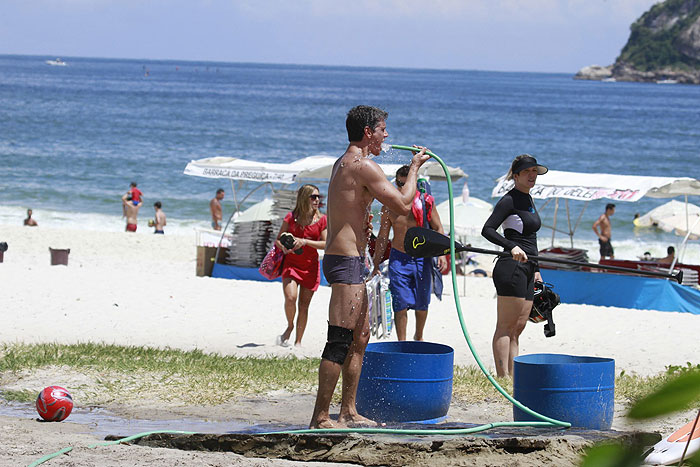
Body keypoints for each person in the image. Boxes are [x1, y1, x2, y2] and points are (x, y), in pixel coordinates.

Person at [309, 105, 430, 429]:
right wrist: (415, 168)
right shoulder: (363, 165)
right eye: (382, 129)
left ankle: (348, 411)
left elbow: (350, 207)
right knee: (339, 339)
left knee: (360, 337)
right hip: (346, 261)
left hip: (348, 259)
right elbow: (404, 204)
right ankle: (321, 417)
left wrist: (363, 220)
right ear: (368, 132)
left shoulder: (343, 162)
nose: (386, 135)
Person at [481, 154, 548, 378]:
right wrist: (511, 246)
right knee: (505, 326)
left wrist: (537, 269)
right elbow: (488, 229)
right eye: (528, 172)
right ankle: (503, 378)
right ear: (516, 175)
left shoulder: (528, 199)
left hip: (529, 269)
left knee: (518, 328)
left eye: (535, 172)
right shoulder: (509, 200)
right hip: (511, 267)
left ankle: (513, 377)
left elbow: (532, 239)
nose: (533, 175)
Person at [371, 165, 448, 342]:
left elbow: (438, 227)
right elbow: (383, 237)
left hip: (422, 257)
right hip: (399, 257)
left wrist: (442, 254)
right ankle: (402, 342)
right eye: (400, 182)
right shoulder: (389, 207)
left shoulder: (426, 202)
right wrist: (376, 262)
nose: (403, 186)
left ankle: (418, 337)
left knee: (422, 302)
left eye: (407, 183)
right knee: (400, 303)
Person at [274, 184, 327, 347]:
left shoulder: (322, 219)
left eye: (318, 197)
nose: (317, 200)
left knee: (304, 306)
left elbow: (326, 243)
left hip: (310, 266)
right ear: (304, 198)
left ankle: (298, 342)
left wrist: (305, 242)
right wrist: (284, 247)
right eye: (313, 197)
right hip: (291, 264)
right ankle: (290, 327)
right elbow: (278, 239)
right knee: (291, 298)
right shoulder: (291, 217)